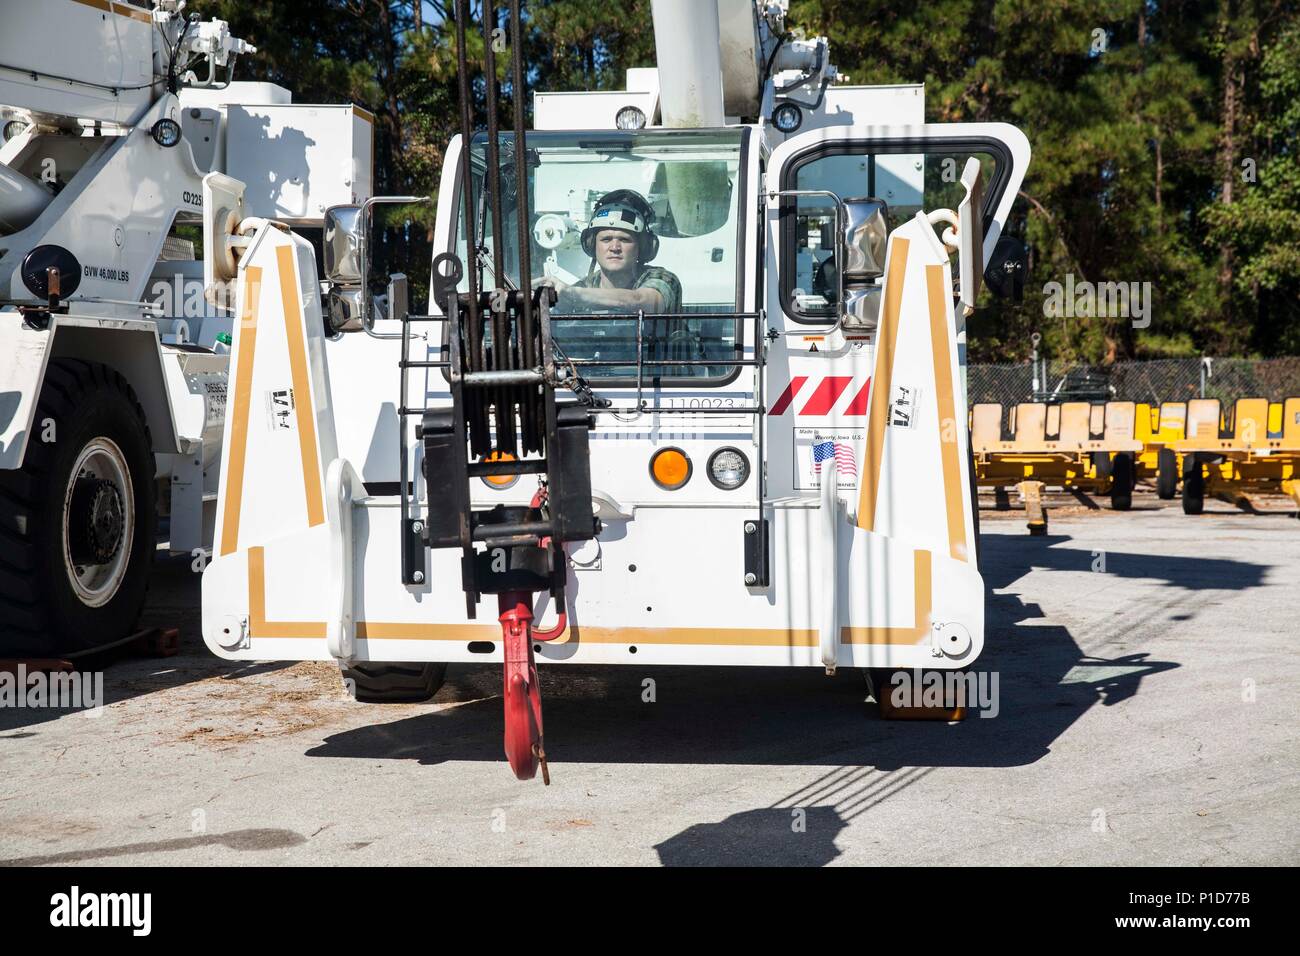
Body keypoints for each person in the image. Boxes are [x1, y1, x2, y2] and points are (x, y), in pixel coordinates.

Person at [537, 189, 682, 314]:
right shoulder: (583, 288)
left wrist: (572, 294)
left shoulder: (663, 279)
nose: (615, 247)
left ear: (642, 247)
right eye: (606, 239)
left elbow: (641, 300)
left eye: (624, 240)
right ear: (592, 245)